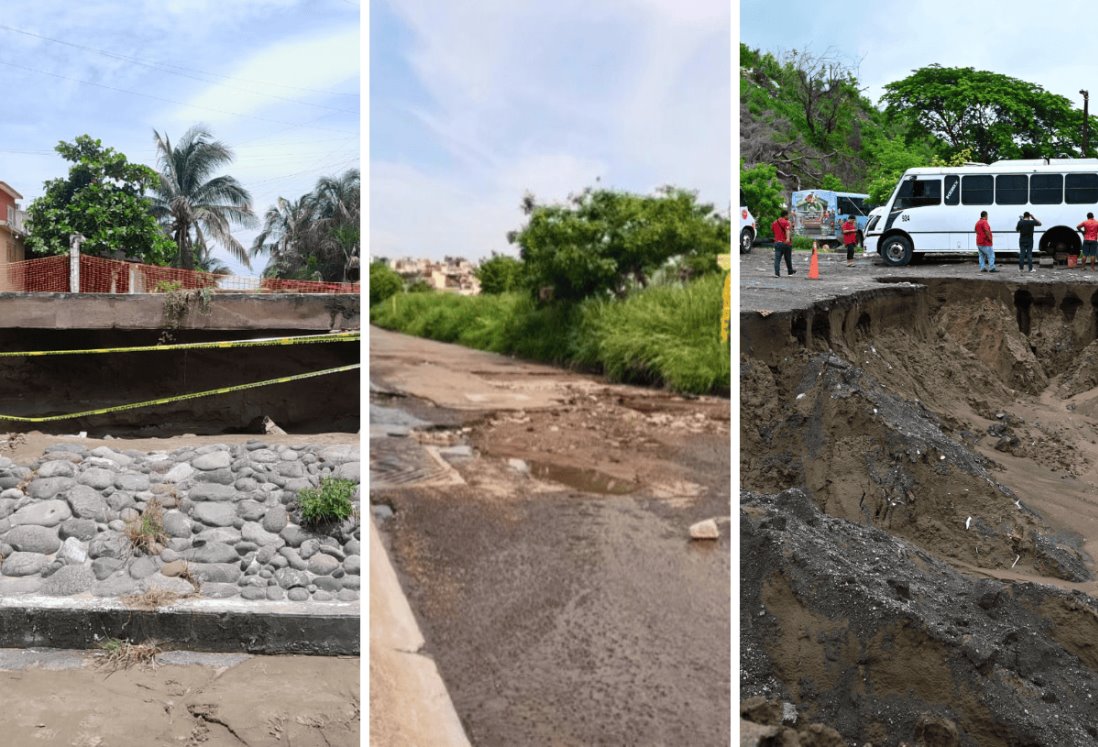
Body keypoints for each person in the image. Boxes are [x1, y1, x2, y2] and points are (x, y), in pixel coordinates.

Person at [772, 210, 795, 278]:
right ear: (785, 215)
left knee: (777, 259)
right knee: (788, 258)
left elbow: (773, 231)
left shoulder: (774, 222)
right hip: (785, 243)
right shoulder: (786, 222)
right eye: (787, 215)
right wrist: (788, 239)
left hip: (777, 243)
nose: (788, 217)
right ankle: (790, 272)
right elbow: (787, 231)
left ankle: (777, 273)